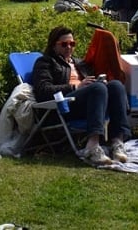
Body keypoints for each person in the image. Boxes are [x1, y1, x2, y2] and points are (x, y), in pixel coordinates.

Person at [30, 25, 131, 166]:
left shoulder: (79, 63)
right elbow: (43, 90)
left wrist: (100, 82)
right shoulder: (46, 62)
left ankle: (117, 143)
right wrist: (76, 86)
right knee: (97, 88)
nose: (69, 47)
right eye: (64, 44)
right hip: (65, 105)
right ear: (53, 45)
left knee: (116, 85)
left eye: (72, 44)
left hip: (90, 102)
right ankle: (92, 146)